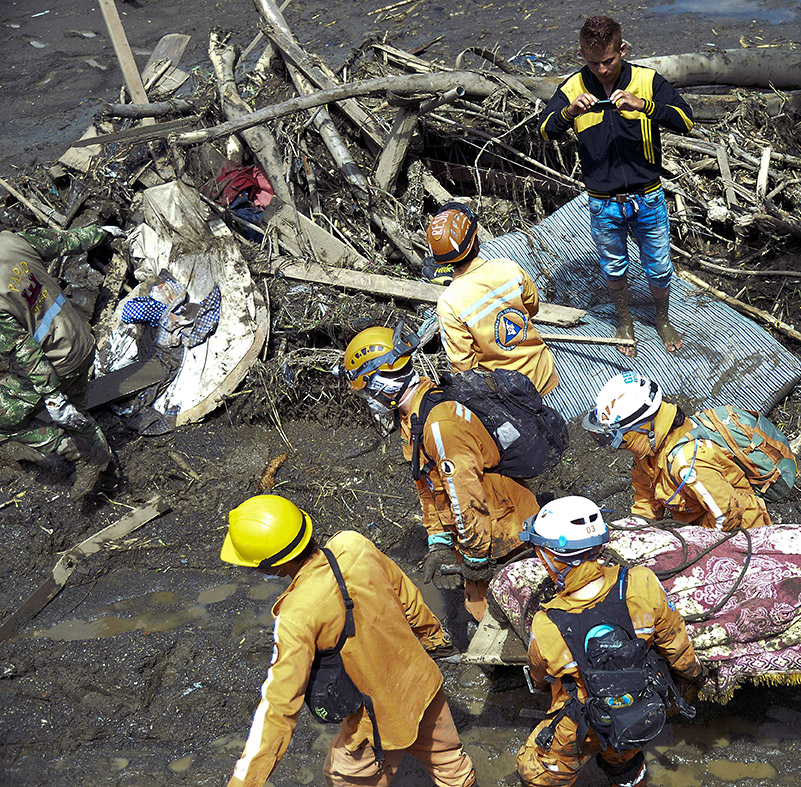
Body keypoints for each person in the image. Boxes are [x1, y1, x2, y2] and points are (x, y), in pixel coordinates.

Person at [219, 494, 476, 787]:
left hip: (378, 721)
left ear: (268, 566)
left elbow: (278, 706)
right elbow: (405, 593)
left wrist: (245, 781)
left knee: (343, 776)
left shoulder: (296, 615)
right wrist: (434, 639)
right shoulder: (352, 544)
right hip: (423, 682)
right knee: (451, 764)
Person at [342, 324, 539, 623]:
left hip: (502, 528)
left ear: (382, 380)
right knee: (482, 609)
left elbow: (466, 496)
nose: (369, 398)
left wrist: (474, 558)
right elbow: (426, 484)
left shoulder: (440, 426)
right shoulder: (413, 415)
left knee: (505, 611)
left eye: (367, 388)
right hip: (479, 527)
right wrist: (439, 542)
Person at [516, 496, 704, 787]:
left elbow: (541, 677)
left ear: (552, 556)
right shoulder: (641, 582)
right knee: (625, 758)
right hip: (635, 708)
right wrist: (693, 674)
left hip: (582, 720)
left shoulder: (547, 624)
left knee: (536, 769)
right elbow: (675, 641)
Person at [539, 16, 693, 357]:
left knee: (659, 265)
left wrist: (645, 106)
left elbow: (686, 119)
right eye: (593, 62)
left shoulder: (647, 80)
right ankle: (624, 321)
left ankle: (663, 319)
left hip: (648, 195)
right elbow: (546, 130)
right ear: (581, 54)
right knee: (613, 266)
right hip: (603, 200)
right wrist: (569, 112)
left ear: (622, 49)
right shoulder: (572, 87)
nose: (602, 69)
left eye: (609, 60)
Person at [0, 224, 117, 497]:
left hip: (56, 362)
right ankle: (104, 469)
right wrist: (103, 232)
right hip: (82, 343)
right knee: (75, 414)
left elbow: (24, 349)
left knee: (4, 420)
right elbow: (68, 241)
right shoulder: (11, 241)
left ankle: (77, 452)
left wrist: (53, 397)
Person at [582, 372, 773, 530]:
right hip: (698, 523)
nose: (620, 447)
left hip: (739, 529)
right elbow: (646, 502)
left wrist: (692, 545)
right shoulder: (648, 452)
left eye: (621, 440)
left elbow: (728, 515)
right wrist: (633, 532)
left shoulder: (688, 463)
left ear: (646, 427)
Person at [428, 202, 560, 396]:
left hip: (513, 396)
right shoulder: (508, 269)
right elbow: (532, 307)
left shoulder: (449, 303)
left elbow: (463, 367)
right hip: (544, 373)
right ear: (475, 241)